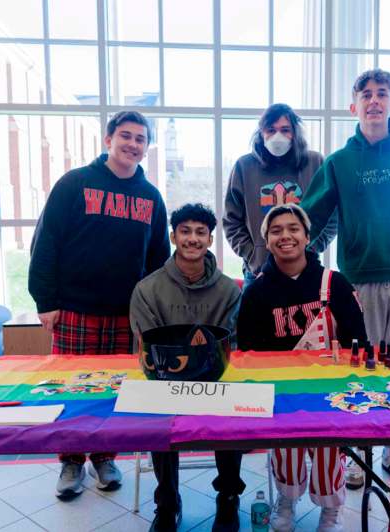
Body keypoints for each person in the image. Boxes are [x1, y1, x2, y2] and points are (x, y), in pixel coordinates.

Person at [300, 68, 390, 483]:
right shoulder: (339, 163)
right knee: (359, 369)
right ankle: (359, 455)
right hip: (357, 281)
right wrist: (288, 250)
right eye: (366, 94)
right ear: (354, 106)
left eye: (382, 93)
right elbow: (309, 217)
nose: (374, 100)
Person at [28, 110, 170, 500]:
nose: (133, 144)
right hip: (75, 308)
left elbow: (159, 260)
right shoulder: (75, 183)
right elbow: (46, 242)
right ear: (108, 140)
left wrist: (153, 311)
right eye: (125, 136)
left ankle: (105, 456)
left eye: (141, 139)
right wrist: (46, 300)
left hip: (126, 315)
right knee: (72, 391)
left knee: (114, 392)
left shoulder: (151, 197)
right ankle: (71, 461)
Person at [237, 204, 367, 532]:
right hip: (284, 392)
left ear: (307, 237)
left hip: (330, 389)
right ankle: (286, 500)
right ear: (267, 241)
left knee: (327, 452)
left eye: (293, 228)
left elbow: (359, 342)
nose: (286, 236)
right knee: (287, 450)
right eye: (276, 230)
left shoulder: (334, 283)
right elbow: (248, 353)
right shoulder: (256, 293)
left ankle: (331, 510)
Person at [129, 203, 244, 532]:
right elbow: (150, 344)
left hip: (213, 378)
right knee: (156, 411)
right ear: (173, 236)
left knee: (232, 409)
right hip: (164, 381)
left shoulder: (228, 290)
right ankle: (167, 502)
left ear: (210, 239)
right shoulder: (147, 289)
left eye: (200, 232)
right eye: (185, 231)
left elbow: (228, 341)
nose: (192, 239)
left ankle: (228, 498)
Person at [223, 103, 335, 288]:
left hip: (306, 269)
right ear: (261, 133)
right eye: (271, 130)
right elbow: (231, 221)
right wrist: (253, 256)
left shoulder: (315, 163)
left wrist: (313, 248)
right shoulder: (244, 167)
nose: (278, 136)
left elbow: (332, 215)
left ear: (295, 132)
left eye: (285, 130)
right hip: (259, 272)